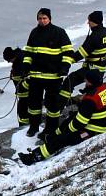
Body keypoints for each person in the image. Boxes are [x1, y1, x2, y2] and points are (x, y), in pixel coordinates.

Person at [19, 70, 106, 165]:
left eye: (86, 80)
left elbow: (79, 124)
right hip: (105, 121)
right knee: (70, 118)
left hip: (94, 129)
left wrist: (67, 132)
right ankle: (52, 137)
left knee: (62, 139)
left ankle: (33, 157)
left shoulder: (90, 100)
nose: (85, 82)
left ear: (91, 82)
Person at [22, 8, 74, 138]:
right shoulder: (34, 33)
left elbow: (68, 52)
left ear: (49, 18)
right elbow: (28, 52)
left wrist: (65, 68)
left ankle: (50, 129)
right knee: (33, 104)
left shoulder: (59, 32)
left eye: (44, 18)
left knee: (52, 105)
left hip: (53, 77)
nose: (42, 21)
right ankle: (33, 127)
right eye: (40, 18)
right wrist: (25, 66)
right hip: (35, 76)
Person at [57, 10, 106, 114]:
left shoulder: (95, 36)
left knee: (69, 81)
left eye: (89, 21)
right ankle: (96, 106)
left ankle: (59, 108)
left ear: (94, 21)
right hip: (101, 67)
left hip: (91, 69)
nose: (87, 23)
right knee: (94, 89)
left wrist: (66, 62)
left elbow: (81, 53)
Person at [3, 46, 30, 127]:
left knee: (23, 112)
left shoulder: (22, 61)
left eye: (9, 60)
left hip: (27, 94)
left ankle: (24, 127)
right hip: (22, 94)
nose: (9, 62)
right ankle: (24, 126)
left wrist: (22, 87)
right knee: (22, 112)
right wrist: (13, 74)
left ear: (12, 56)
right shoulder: (18, 58)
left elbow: (30, 78)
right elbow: (17, 71)